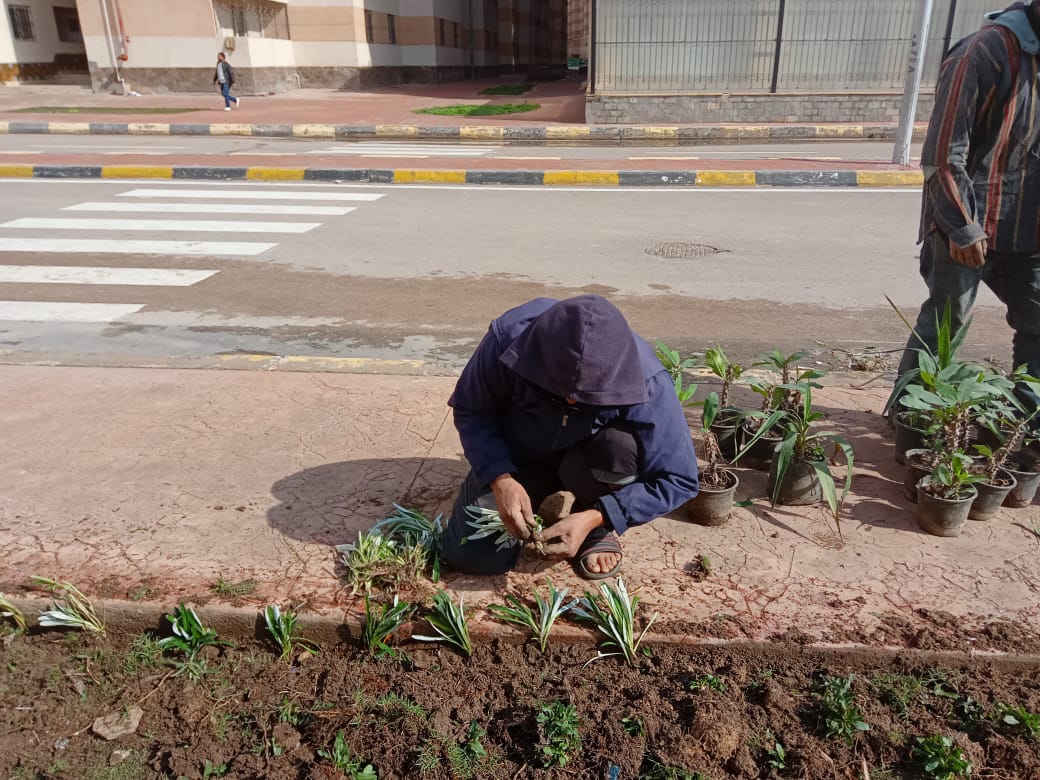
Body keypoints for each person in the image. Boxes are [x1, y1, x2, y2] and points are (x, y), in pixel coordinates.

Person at [441, 295, 699, 580]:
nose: (571, 402)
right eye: (556, 389)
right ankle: (524, 487)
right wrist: (500, 479)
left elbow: (678, 478)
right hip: (520, 453)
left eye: (586, 397)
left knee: (620, 448)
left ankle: (591, 520)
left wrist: (599, 515)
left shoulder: (645, 377)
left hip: (590, 459)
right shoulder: (509, 340)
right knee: (472, 557)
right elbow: (471, 409)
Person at [896, 1, 1040, 418]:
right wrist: (962, 225)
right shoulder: (985, 51)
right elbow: (943, 153)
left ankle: (1024, 421)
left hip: (1027, 228)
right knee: (948, 321)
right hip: (970, 220)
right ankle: (912, 416)